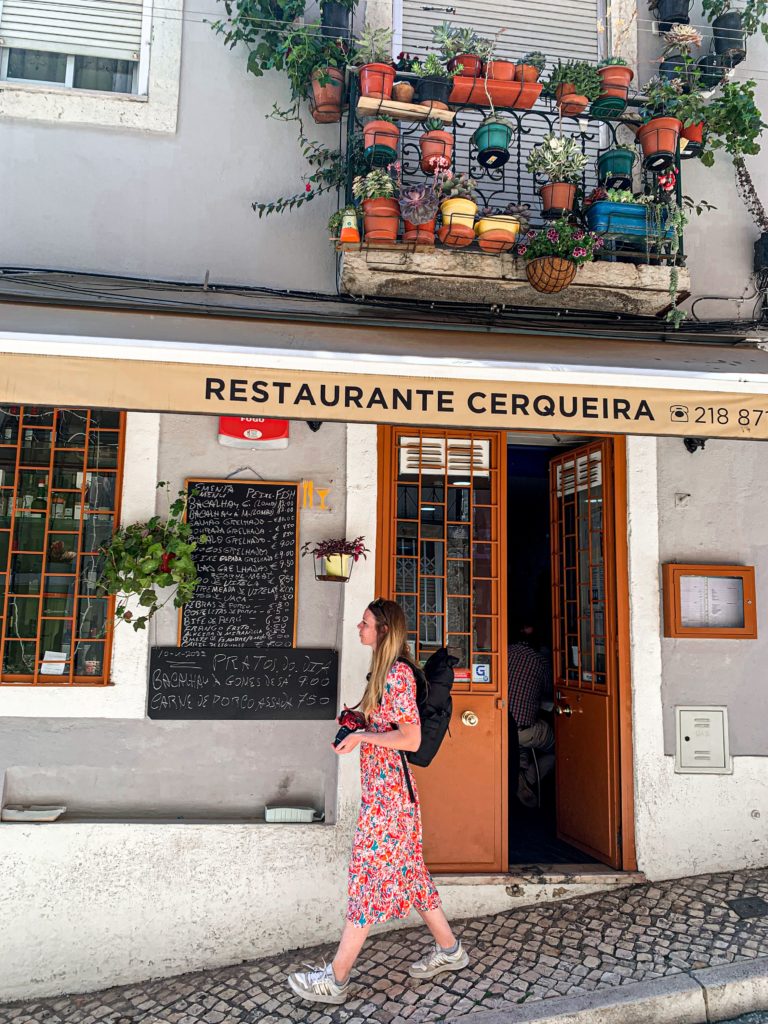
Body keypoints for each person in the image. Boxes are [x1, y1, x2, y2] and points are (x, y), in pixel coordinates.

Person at [287, 598, 468, 1005]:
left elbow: (411, 738)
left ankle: (335, 980)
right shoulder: (383, 672)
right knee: (413, 878)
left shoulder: (397, 675)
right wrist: (357, 721)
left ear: (383, 630)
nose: (359, 627)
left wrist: (362, 737)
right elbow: (386, 723)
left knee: (366, 881)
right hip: (385, 795)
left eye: (365, 623)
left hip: (389, 801)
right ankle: (451, 951)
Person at [507, 623, 555, 808]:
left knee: (518, 740)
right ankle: (529, 779)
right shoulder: (540, 661)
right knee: (562, 748)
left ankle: (520, 772)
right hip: (524, 730)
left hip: (503, 727)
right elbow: (550, 690)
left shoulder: (503, 652)